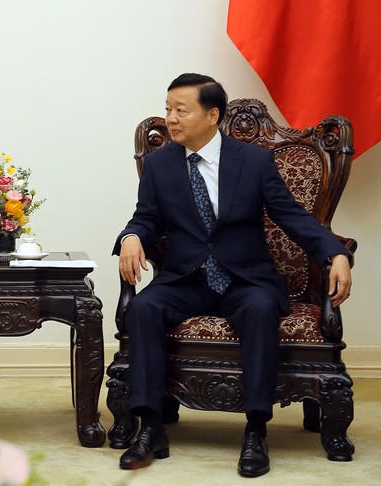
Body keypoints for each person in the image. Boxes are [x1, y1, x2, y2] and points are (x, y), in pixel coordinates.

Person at [113, 73, 353, 478]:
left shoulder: (254, 162)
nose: (170, 118)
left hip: (245, 280)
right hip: (186, 280)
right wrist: (132, 237)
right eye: (168, 109)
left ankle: (256, 429)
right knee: (143, 308)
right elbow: (146, 217)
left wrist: (335, 253)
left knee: (260, 309)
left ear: (212, 115)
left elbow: (292, 216)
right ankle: (151, 426)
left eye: (181, 110)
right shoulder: (159, 164)